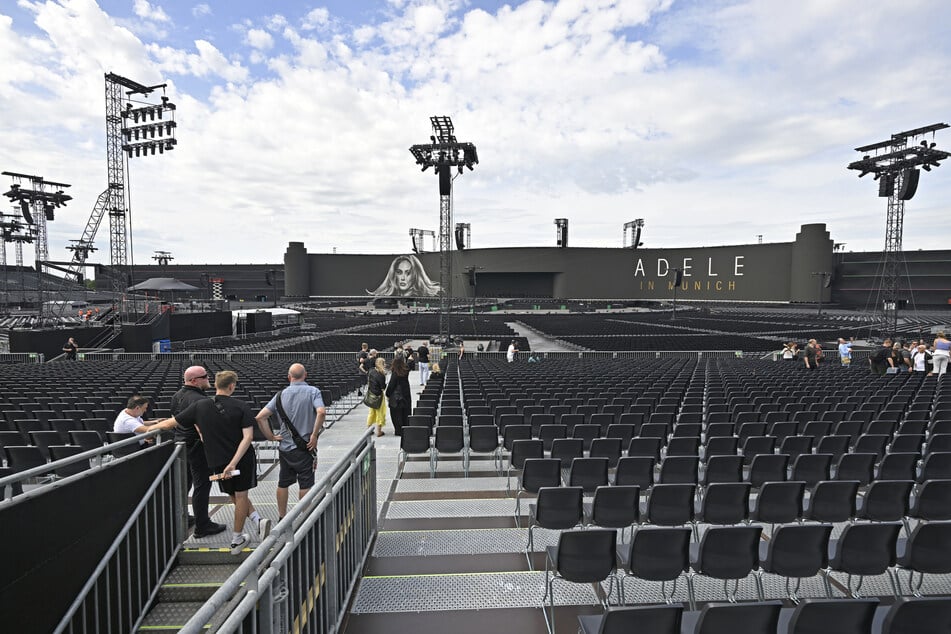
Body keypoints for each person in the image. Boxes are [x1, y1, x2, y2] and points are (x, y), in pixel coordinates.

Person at [160, 371, 270, 555]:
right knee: (239, 495)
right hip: (238, 459)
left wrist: (143, 428)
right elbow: (248, 437)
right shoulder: (241, 405)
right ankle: (237, 540)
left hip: (217, 457)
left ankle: (257, 520)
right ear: (232, 386)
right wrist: (234, 462)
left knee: (232, 493)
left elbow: (171, 423)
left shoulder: (198, 404)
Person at [255, 363, 325, 521]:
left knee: (283, 482)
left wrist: (271, 437)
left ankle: (282, 516)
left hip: (285, 448)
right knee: (305, 483)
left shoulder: (280, 395)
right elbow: (321, 412)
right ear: (305, 375)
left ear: (289, 377)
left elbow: (260, 417)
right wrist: (314, 435)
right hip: (305, 446)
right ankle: (306, 517)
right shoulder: (313, 391)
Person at [169, 366, 225, 538]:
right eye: (205, 377)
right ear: (194, 381)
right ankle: (202, 525)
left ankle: (184, 518)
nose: (209, 379)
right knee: (202, 485)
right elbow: (202, 427)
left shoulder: (176, 396)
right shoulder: (199, 399)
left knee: (184, 485)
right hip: (197, 447)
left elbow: (176, 420)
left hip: (181, 446)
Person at [368, 254, 440, 297]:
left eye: (408, 273)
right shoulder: (386, 298)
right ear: (394, 274)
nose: (403, 278)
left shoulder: (426, 299)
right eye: (399, 272)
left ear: (416, 276)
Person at [385, 354, 411, 436]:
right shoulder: (406, 371)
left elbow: (391, 385)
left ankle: (398, 430)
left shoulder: (395, 373)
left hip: (396, 397)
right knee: (405, 412)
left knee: (396, 415)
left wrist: (387, 394)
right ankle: (405, 428)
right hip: (406, 394)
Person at [366, 357, 387, 437]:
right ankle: (379, 431)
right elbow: (383, 387)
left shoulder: (371, 371)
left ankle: (368, 429)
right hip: (379, 395)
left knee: (371, 412)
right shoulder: (381, 374)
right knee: (380, 412)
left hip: (371, 394)